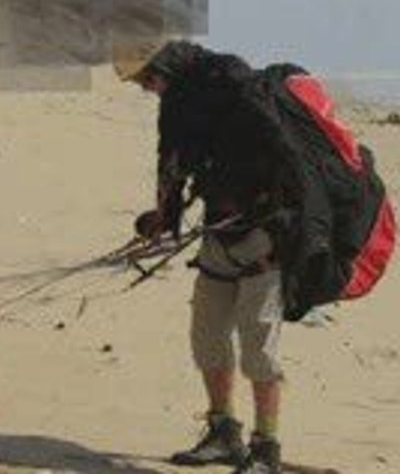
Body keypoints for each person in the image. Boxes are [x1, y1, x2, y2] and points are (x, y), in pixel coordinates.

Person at [114, 37, 289, 474]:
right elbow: (173, 164)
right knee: (207, 335)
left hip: (264, 234)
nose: (144, 89)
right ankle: (222, 432)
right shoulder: (180, 105)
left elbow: (275, 155)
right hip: (217, 232)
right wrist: (164, 220)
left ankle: (265, 448)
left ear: (163, 69)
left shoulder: (233, 86)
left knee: (258, 349)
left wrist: (258, 206)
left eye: (145, 80)